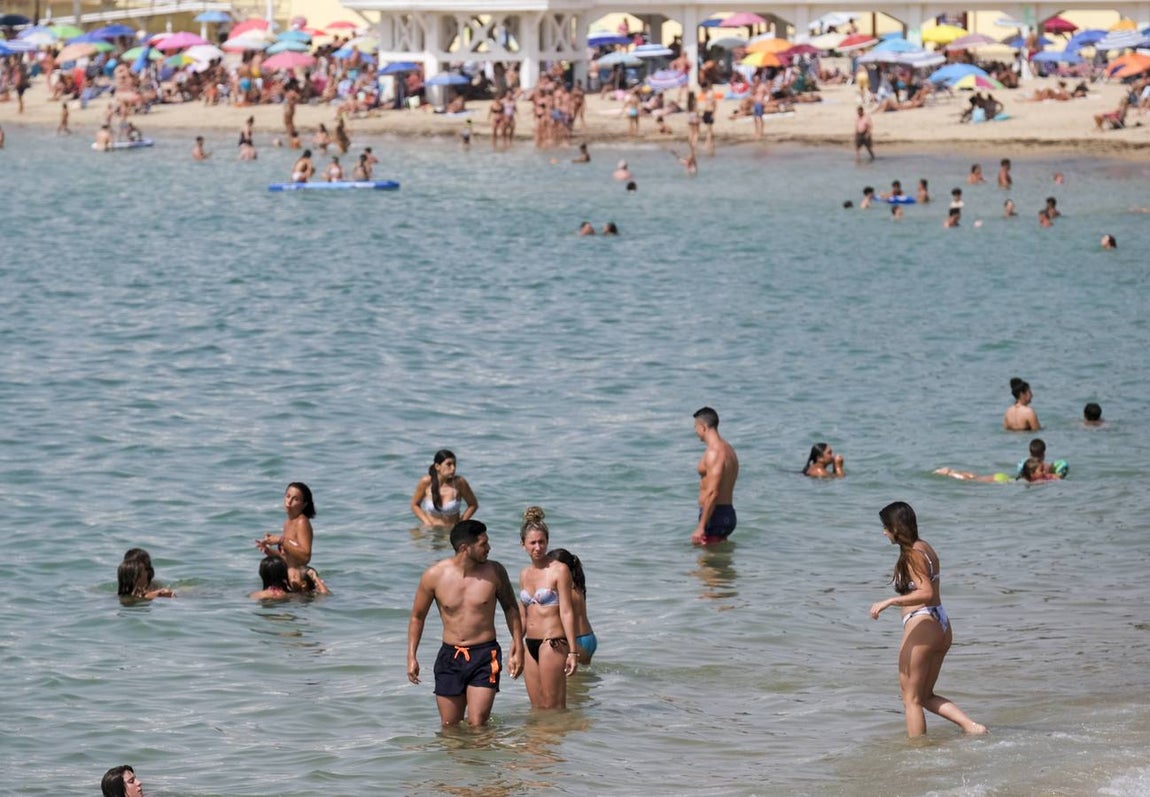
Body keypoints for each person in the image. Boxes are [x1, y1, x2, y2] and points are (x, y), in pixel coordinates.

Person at [868, 501, 988, 738]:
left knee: (910, 700)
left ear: (896, 527)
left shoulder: (912, 555)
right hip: (940, 624)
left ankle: (918, 755)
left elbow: (926, 593)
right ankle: (972, 727)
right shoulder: (924, 547)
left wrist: (888, 602)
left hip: (923, 624)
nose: (883, 532)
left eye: (885, 527)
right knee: (924, 696)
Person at [407, 519, 523, 727]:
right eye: (483, 544)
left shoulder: (495, 572)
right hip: (450, 657)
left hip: (485, 655)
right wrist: (411, 656)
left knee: (478, 723)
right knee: (449, 726)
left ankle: (479, 759)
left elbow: (511, 609)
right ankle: (459, 760)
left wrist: (518, 648)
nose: (489, 548)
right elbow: (417, 616)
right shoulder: (434, 576)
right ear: (464, 548)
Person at [518, 507, 579, 708]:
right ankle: (540, 739)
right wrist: (515, 647)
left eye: (541, 542)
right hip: (530, 645)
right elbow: (522, 616)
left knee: (554, 707)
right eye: (532, 543)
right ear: (523, 545)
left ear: (547, 542)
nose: (538, 547)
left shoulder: (558, 570)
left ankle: (559, 738)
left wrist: (572, 652)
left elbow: (567, 611)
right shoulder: (524, 574)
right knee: (537, 707)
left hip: (552, 643)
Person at [691, 406, 739, 545]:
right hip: (726, 513)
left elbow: (713, 492)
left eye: (695, 427)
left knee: (706, 564)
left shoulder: (714, 452)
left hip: (715, 515)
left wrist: (701, 527)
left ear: (703, 427)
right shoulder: (729, 450)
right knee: (719, 563)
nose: (695, 432)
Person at [255, 482, 315, 590]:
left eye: (295, 499)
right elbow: (288, 557)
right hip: (288, 579)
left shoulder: (302, 522)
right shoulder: (288, 522)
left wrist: (280, 540)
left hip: (300, 582)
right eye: (288, 496)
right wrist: (269, 551)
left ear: (304, 504)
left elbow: (305, 557)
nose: (289, 501)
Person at [549, 547, 596, 664]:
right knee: (580, 680)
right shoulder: (578, 586)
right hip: (589, 638)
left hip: (575, 641)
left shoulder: (563, 589)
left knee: (566, 681)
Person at [410, 449, 478, 529]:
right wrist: (427, 523)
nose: (453, 468)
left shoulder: (459, 483)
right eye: (448, 464)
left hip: (450, 532)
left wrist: (460, 524)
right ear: (437, 466)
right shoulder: (426, 482)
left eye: (454, 464)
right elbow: (414, 505)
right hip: (429, 531)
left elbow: (473, 505)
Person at [249, 554, 329, 599]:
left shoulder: (255, 595)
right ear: (284, 574)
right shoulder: (290, 595)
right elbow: (325, 594)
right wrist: (315, 578)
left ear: (262, 574)